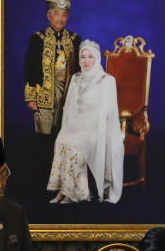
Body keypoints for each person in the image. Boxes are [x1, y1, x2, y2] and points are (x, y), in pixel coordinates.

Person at [46, 39, 124, 203]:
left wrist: (87, 128)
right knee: (61, 140)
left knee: (74, 147)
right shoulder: (76, 78)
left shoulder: (107, 80)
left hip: (96, 129)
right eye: (83, 57)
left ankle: (74, 194)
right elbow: (70, 107)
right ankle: (62, 190)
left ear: (96, 58)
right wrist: (70, 127)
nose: (86, 60)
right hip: (76, 126)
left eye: (90, 57)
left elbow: (107, 112)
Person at [23, 0, 81, 136]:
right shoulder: (38, 39)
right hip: (44, 93)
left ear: (67, 17)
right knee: (44, 136)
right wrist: (31, 97)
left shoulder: (75, 39)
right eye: (56, 14)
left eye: (64, 15)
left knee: (65, 136)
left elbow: (79, 71)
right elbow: (30, 68)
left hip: (67, 94)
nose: (60, 19)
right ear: (49, 16)